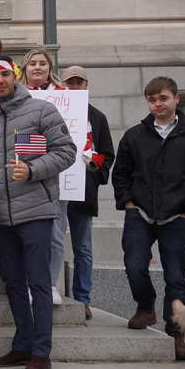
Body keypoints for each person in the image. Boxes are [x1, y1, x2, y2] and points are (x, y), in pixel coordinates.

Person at [0, 56, 76, 369]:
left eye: (5, 74)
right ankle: (23, 344)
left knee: (39, 283)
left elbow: (66, 152)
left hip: (35, 211)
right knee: (14, 282)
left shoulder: (41, 110)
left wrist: (31, 169)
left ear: (14, 75)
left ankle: (41, 352)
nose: (0, 80)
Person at [112, 76, 185, 361]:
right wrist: (129, 204)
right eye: (152, 99)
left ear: (176, 99)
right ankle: (145, 307)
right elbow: (120, 173)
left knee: (175, 278)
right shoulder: (134, 135)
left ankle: (176, 332)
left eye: (163, 98)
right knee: (134, 266)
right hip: (140, 215)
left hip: (178, 218)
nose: (158, 104)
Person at [60, 66, 115, 320]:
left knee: (83, 247)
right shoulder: (54, 111)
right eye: (69, 83)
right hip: (56, 189)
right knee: (51, 244)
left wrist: (95, 171)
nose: (74, 87)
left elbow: (108, 153)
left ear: (86, 85)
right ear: (63, 85)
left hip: (84, 190)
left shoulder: (98, 117)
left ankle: (83, 299)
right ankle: (50, 292)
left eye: (78, 82)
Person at [16, 48, 66, 303]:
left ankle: (52, 282)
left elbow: (82, 135)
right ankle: (28, 281)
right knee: (28, 236)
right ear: (24, 68)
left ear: (50, 68)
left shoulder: (66, 96)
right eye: (32, 63)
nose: (38, 67)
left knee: (56, 233)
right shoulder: (15, 97)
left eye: (43, 63)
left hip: (59, 179)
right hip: (23, 178)